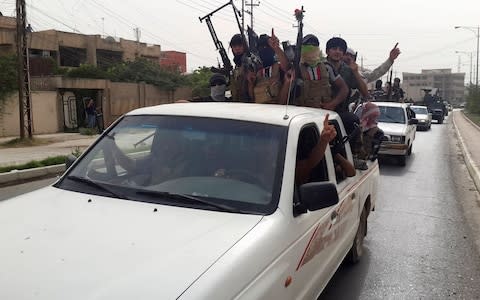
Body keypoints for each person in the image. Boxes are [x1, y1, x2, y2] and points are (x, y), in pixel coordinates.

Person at [280, 34, 348, 110]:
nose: (311, 49)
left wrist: (332, 104)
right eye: (308, 46)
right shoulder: (296, 69)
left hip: (323, 113)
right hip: (302, 114)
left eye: (314, 46)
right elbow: (283, 100)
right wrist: (287, 84)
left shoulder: (327, 67)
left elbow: (344, 88)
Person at [105, 130, 188, 186]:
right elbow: (130, 165)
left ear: (180, 144)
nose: (165, 147)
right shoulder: (155, 158)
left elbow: (171, 184)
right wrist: (112, 145)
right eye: (163, 141)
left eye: (170, 142)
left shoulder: (185, 164)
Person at [325, 38, 368, 113]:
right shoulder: (319, 67)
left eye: (341, 50)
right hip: (320, 109)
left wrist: (355, 72)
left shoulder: (348, 70)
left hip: (341, 113)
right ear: (327, 51)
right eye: (334, 49)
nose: (337, 52)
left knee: (353, 120)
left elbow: (365, 93)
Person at [229, 34, 251, 102]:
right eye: (234, 46)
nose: (237, 48)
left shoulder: (250, 62)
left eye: (240, 46)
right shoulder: (236, 67)